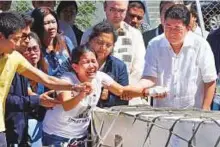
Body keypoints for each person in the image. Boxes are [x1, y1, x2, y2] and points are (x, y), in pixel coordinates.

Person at [42, 44, 167, 146]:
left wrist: (149, 92)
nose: (92, 66)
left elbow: (121, 91)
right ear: (75, 66)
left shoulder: (100, 77)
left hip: (80, 136)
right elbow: (67, 105)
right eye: (86, 62)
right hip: (57, 135)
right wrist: (81, 94)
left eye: (93, 61)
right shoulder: (67, 80)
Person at [0, 12, 89, 147]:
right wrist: (37, 100)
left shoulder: (14, 58)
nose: (19, 44)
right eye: (15, 39)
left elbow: (47, 79)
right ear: (1, 37)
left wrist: (74, 87)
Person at [128, 4, 217, 110]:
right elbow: (149, 77)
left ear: (188, 28)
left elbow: (210, 80)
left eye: (177, 28)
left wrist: (205, 109)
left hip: (193, 110)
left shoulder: (201, 45)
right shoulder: (154, 44)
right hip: (162, 110)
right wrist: (135, 88)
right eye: (168, 27)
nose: (171, 32)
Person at [81, 0, 146, 105]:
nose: (117, 14)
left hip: (126, 95)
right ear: (105, 7)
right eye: (113, 9)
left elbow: (139, 68)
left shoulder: (135, 35)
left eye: (122, 11)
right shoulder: (90, 33)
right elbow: (83, 63)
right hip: (94, 95)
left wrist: (121, 90)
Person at [31, 7, 74, 77]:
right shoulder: (34, 48)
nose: (51, 27)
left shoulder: (65, 41)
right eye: (46, 23)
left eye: (53, 22)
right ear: (38, 26)